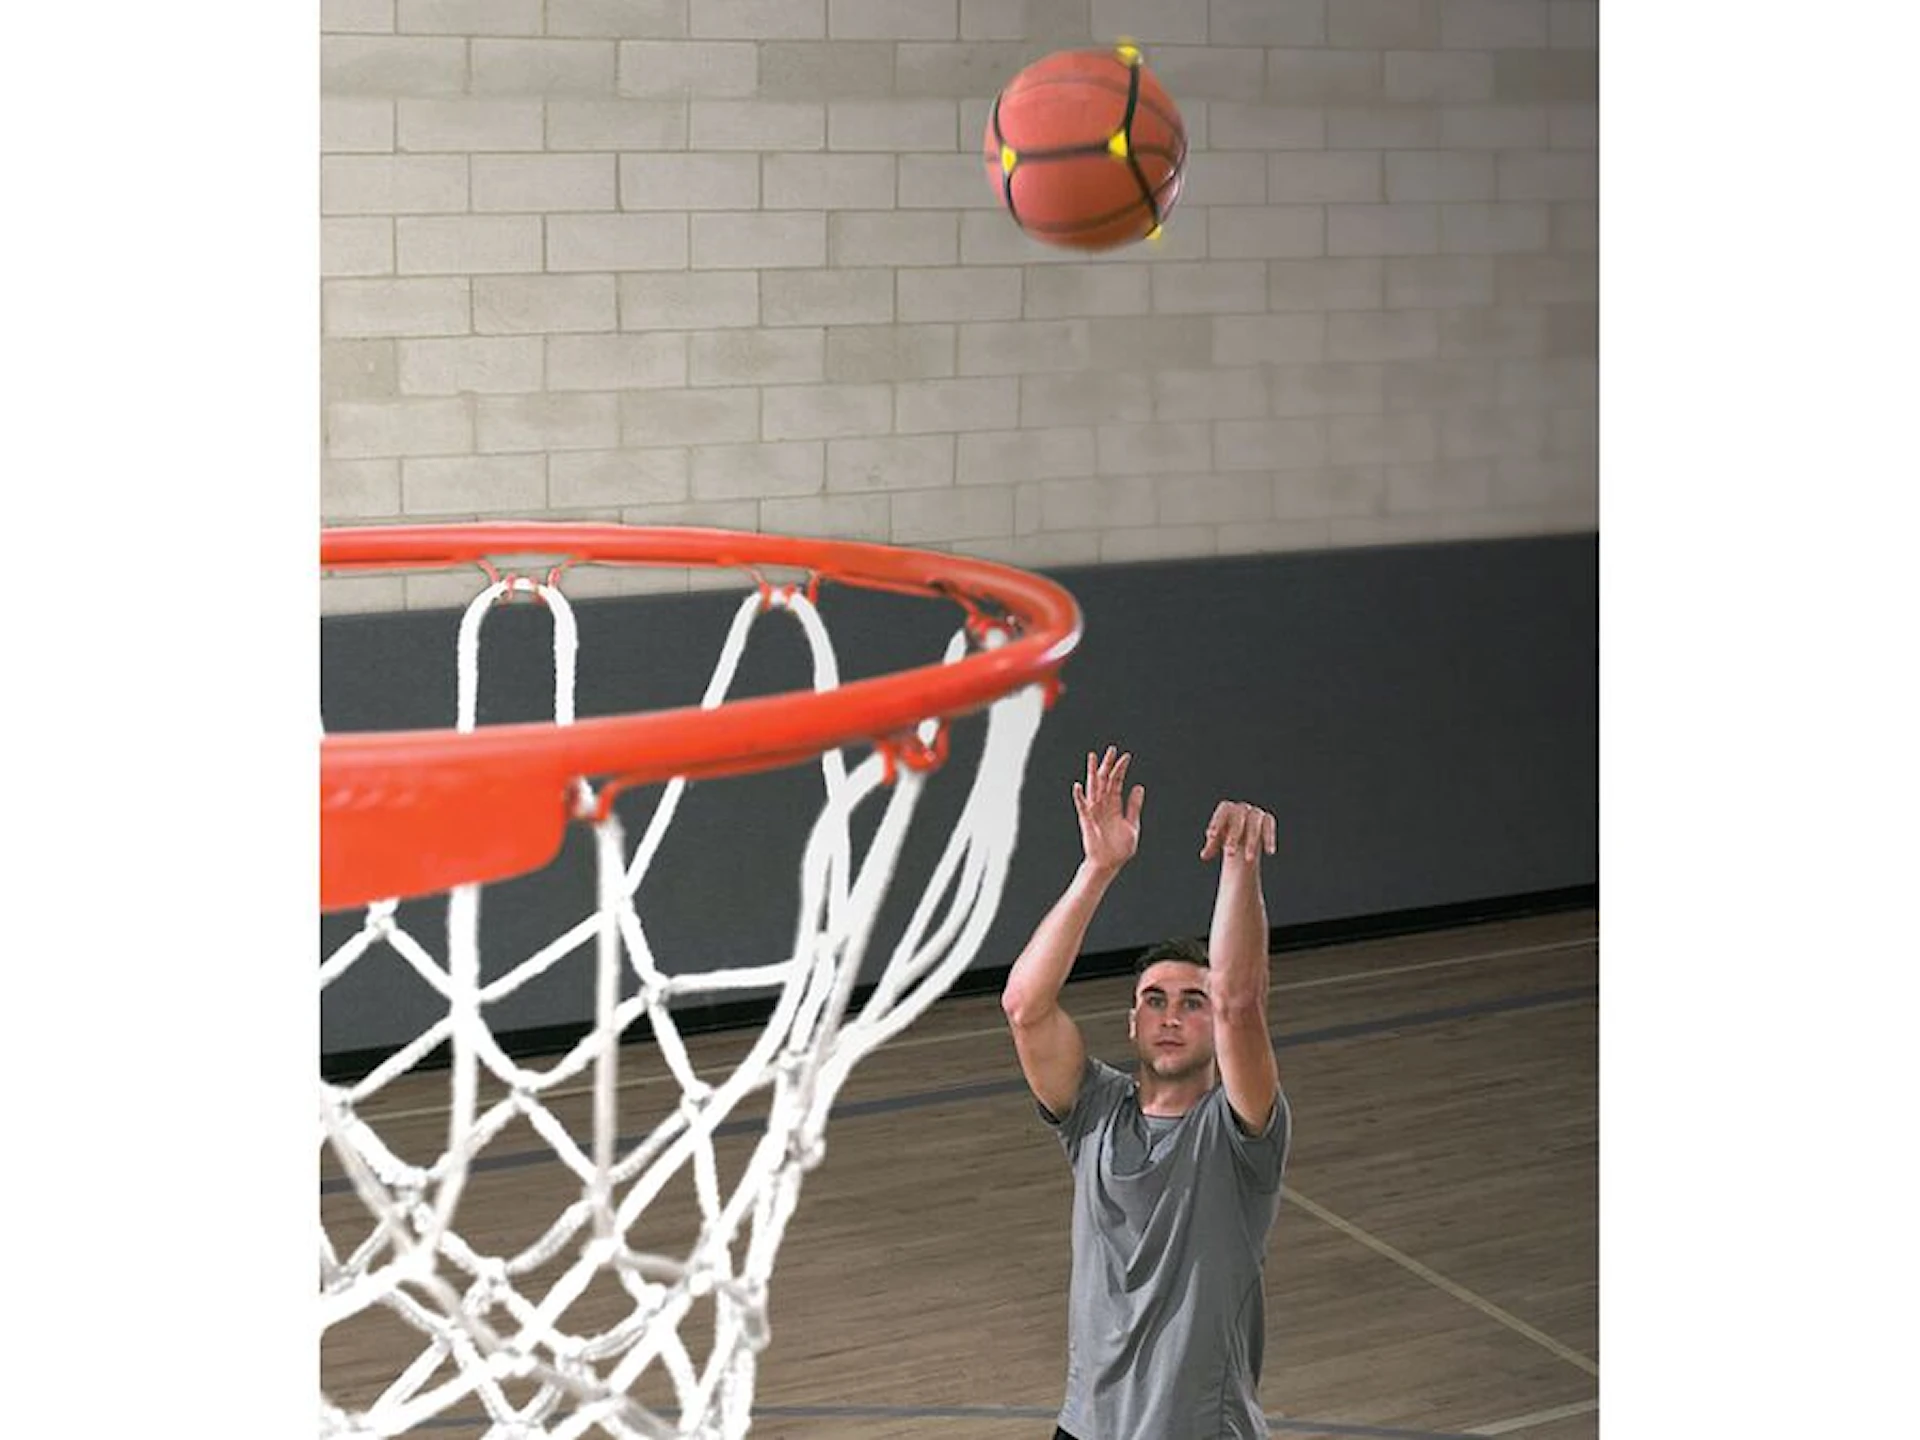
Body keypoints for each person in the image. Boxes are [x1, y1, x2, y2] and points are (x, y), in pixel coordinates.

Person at [1001, 746, 1291, 1440]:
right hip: (1085, 1428)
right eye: (1154, 1000)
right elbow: (1024, 1006)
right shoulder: (1093, 1113)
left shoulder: (1240, 1133)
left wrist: (1239, 863)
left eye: (1192, 1002)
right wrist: (1097, 870)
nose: (1171, 1015)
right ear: (1132, 1022)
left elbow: (1241, 1002)